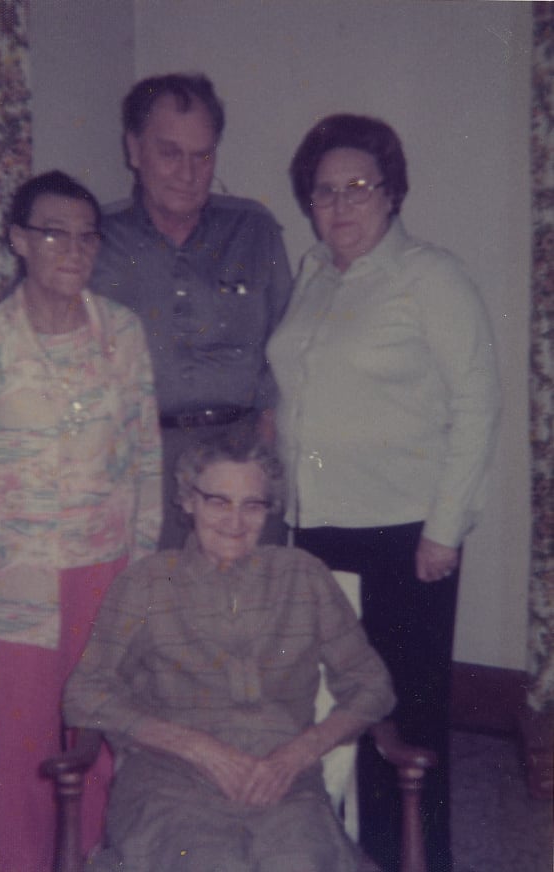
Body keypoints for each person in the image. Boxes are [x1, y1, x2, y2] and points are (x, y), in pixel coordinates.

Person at [267, 114, 501, 872]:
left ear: (392, 193)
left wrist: (445, 528)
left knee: (406, 723)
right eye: (324, 191)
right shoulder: (313, 276)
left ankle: (416, 860)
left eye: (357, 188)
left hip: (402, 535)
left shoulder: (428, 277)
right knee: (334, 714)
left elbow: (477, 402)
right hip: (316, 533)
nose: (339, 205)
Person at [0, 170, 162, 872]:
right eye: (54, 232)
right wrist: (12, 523)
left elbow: (144, 451)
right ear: (19, 241)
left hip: (106, 565)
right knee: (29, 744)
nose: (73, 249)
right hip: (21, 576)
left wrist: (141, 553)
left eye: (87, 235)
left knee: (98, 727)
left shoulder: (120, 333)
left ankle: (95, 856)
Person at [63, 428, 395, 872]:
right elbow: (84, 693)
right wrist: (198, 748)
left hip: (285, 785)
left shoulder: (304, 577)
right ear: (187, 500)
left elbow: (373, 686)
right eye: (218, 501)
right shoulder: (145, 583)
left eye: (251, 505)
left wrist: (298, 753)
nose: (235, 522)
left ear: (268, 510)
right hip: (171, 785)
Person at [89, 72, 293, 548]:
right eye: (170, 152)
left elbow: (289, 341)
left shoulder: (253, 229)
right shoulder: (97, 239)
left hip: (243, 456)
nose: (189, 172)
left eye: (203, 154)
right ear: (134, 150)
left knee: (250, 609)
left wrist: (264, 432)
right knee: (159, 608)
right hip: (140, 462)